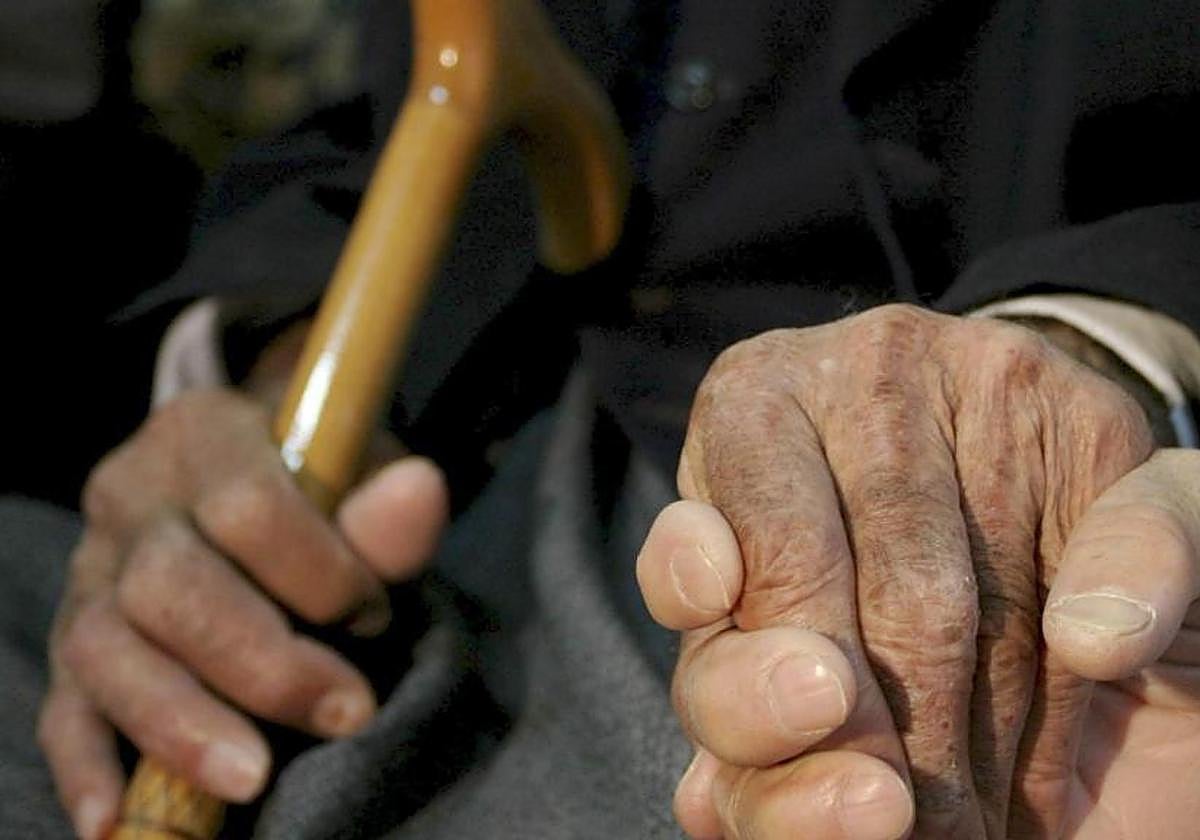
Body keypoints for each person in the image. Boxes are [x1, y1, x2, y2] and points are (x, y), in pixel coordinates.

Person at [5, 0, 1200, 837]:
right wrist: (261, 370)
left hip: (882, 503)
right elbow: (399, 108)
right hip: (456, 422)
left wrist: (1098, 343)